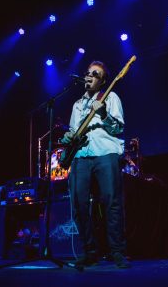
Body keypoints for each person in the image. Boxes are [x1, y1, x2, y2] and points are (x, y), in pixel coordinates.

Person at [60, 60, 130, 268]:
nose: (89, 76)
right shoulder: (77, 104)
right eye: (88, 73)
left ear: (103, 81)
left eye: (95, 74)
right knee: (79, 205)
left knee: (111, 202)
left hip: (105, 153)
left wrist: (104, 114)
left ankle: (117, 251)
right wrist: (68, 138)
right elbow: (74, 132)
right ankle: (90, 251)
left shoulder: (111, 97)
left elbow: (118, 128)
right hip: (81, 156)